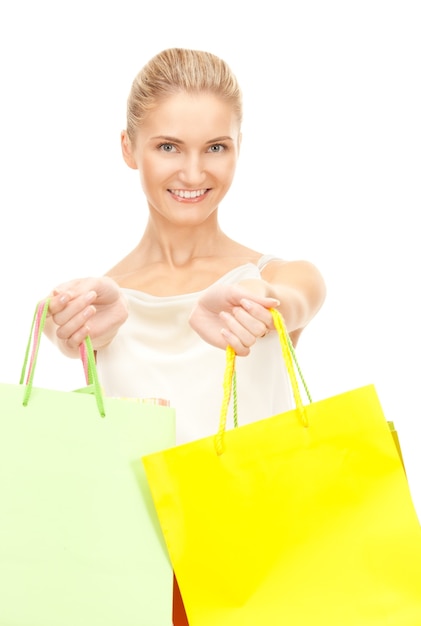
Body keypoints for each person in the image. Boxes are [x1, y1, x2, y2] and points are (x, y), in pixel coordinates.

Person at [44, 47, 326, 445]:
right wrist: (60, 325)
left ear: (238, 147)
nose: (193, 174)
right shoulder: (105, 302)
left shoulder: (276, 278)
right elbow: (61, 333)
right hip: (137, 510)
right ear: (129, 148)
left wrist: (260, 300)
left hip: (262, 508)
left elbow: (296, 298)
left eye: (215, 147)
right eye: (168, 147)